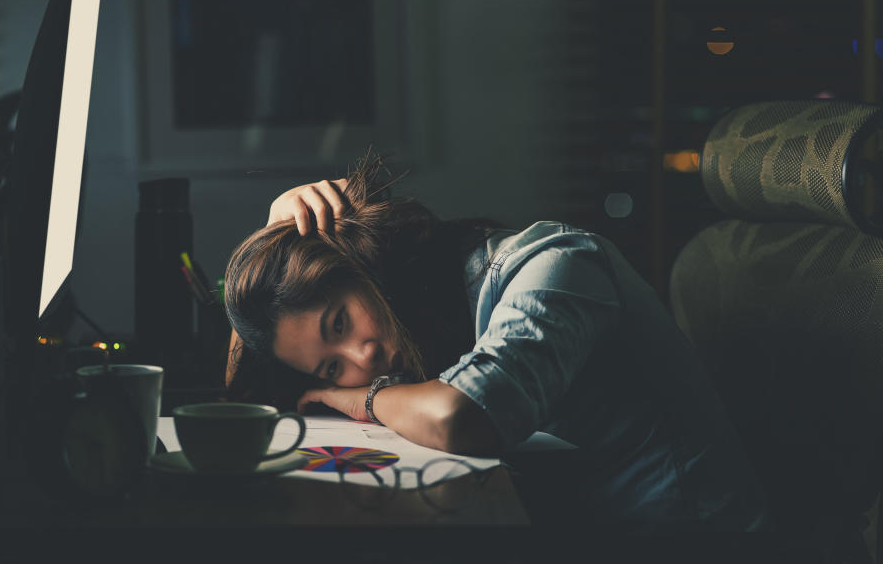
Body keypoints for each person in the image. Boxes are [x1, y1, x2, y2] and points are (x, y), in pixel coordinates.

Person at [222, 149, 769, 534]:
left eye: (339, 324)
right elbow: (245, 405)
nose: (360, 359)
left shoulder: (556, 265)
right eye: (329, 370)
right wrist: (269, 243)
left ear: (364, 263)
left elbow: (464, 415)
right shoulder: (427, 331)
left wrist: (353, 398)